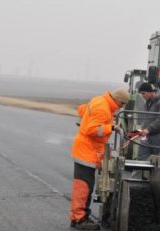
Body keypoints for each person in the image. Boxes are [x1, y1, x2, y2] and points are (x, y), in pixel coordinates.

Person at [69, 88, 129, 230]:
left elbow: (82, 110)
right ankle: (79, 219)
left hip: (86, 150)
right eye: (122, 104)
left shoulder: (100, 101)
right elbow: (91, 129)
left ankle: (80, 216)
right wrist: (111, 127)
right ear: (118, 101)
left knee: (86, 187)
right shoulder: (103, 108)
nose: (121, 107)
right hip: (86, 152)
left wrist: (88, 120)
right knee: (83, 188)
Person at [137, 83, 160, 160]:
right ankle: (139, 172)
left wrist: (148, 129)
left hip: (158, 137)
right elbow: (146, 119)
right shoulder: (147, 103)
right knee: (141, 159)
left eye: (143, 93)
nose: (142, 96)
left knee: (158, 161)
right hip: (146, 136)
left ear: (150, 92)